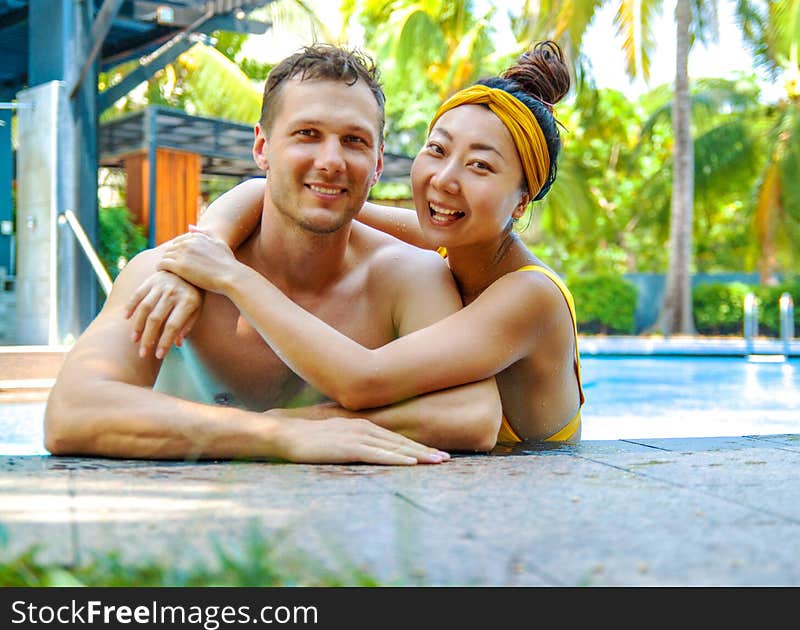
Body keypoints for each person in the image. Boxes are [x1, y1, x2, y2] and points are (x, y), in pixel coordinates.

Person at [43, 44, 502, 465]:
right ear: (263, 147)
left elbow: (473, 415)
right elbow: (72, 411)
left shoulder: (408, 278)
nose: (331, 160)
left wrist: (312, 426)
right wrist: (275, 436)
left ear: (378, 164)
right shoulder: (173, 274)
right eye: (307, 134)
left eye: (354, 141)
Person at [128, 41, 584, 446]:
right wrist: (200, 253)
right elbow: (275, 194)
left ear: (522, 201)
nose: (445, 181)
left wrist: (230, 278)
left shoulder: (530, 296)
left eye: (481, 167)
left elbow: (364, 379)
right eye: (438, 150)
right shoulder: (447, 236)